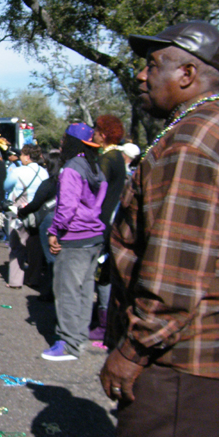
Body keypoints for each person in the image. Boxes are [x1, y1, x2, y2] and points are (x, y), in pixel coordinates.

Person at [100, 21, 219, 437]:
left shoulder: (190, 143)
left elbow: (175, 274)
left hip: (177, 368)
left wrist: (131, 353)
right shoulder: (210, 130)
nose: (141, 75)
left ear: (189, 73)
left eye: (153, 65)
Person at [42, 123, 106, 361]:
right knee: (85, 291)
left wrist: (54, 231)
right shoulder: (95, 166)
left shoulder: (71, 169)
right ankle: (78, 337)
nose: (60, 144)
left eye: (63, 140)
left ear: (70, 142)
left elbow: (67, 207)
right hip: (94, 237)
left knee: (67, 291)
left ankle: (68, 343)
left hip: (74, 237)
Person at [89, 115, 127, 341]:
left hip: (101, 223)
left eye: (96, 130)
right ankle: (104, 320)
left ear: (103, 135)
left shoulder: (107, 159)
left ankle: (104, 324)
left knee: (102, 275)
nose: (93, 134)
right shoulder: (118, 157)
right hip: (109, 220)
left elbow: (94, 189)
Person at [18, 150, 61, 301]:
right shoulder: (67, 182)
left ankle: (51, 291)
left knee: (50, 258)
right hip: (64, 220)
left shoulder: (49, 183)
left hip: (48, 220)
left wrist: (23, 210)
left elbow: (36, 203)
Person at [3, 144, 47, 288]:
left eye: (22, 154)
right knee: (35, 247)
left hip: (19, 211)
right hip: (38, 212)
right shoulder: (44, 172)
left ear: (27, 156)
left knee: (17, 246)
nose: (20, 157)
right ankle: (33, 279)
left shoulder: (18, 171)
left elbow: (6, 186)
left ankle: (15, 281)